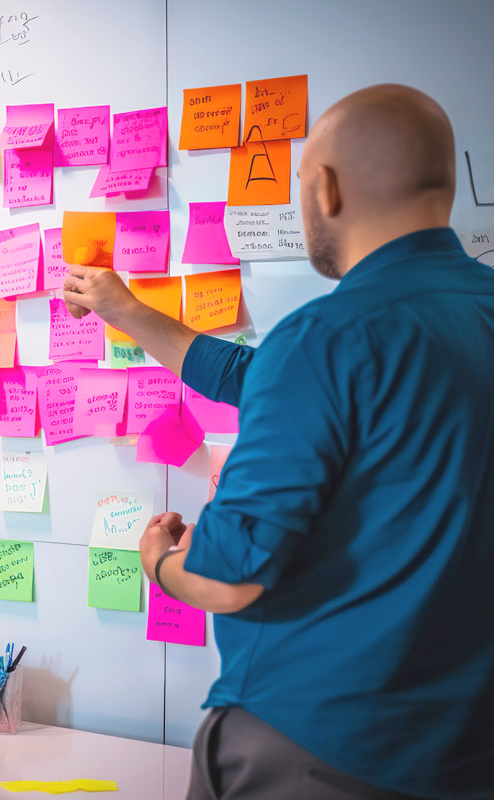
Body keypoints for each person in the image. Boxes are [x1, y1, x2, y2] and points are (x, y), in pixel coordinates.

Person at [63, 85, 494, 799]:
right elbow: (258, 376)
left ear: (325, 188)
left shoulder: (325, 339)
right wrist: (129, 311)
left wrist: (162, 563)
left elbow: (229, 580)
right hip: (464, 751)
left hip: (317, 748)